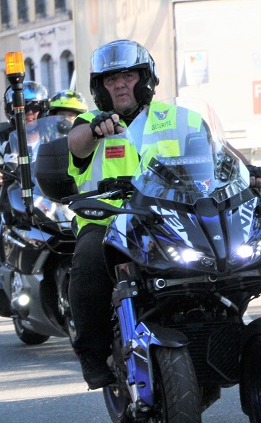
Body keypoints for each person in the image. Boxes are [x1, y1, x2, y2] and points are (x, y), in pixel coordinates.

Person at [66, 39, 261, 389]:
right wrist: (96, 130)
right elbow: (77, 143)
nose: (121, 84)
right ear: (100, 87)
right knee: (88, 259)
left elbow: (222, 154)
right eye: (111, 79)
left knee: (242, 251)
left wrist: (251, 173)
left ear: (145, 78)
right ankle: (92, 353)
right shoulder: (91, 124)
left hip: (171, 216)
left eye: (127, 75)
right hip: (110, 218)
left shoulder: (180, 117)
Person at [0, 81, 50, 306]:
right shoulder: (1, 135)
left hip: (48, 192)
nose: (30, 113)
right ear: (12, 111)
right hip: (13, 192)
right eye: (24, 108)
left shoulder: (52, 134)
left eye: (35, 107)